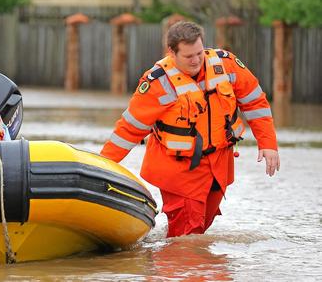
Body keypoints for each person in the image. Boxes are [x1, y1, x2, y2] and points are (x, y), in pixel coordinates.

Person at [100, 21, 280, 237]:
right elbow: (129, 129)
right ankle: (174, 268)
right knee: (188, 235)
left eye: (199, 53)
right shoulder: (157, 83)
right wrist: (102, 166)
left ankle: (176, 261)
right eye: (188, 56)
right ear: (172, 53)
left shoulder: (226, 65)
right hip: (179, 171)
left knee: (199, 231)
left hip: (218, 166)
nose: (196, 60)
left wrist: (268, 144)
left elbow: (255, 103)